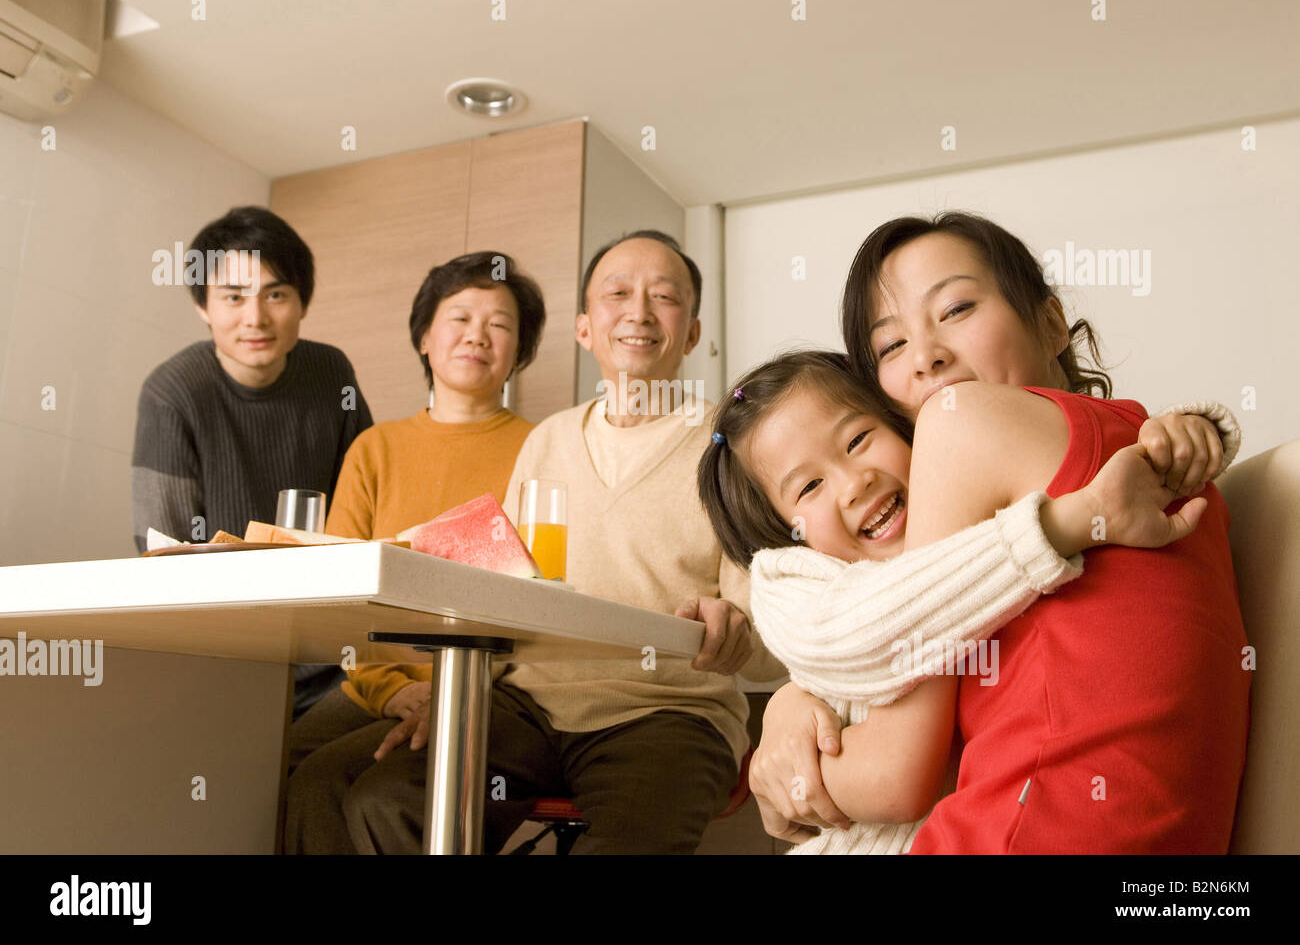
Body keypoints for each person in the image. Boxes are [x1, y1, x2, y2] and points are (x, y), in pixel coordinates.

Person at [748, 211, 1250, 853]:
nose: (926, 355)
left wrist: (779, 779)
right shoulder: (1147, 446)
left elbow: (894, 777)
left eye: (955, 308)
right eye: (891, 347)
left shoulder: (960, 419)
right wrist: (796, 699)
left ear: (1050, 322)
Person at [340, 230, 786, 854]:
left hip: (667, 714)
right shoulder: (546, 441)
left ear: (691, 334)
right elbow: (507, 597)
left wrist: (739, 631)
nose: (638, 311)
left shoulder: (733, 446)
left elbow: (770, 645)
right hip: (527, 706)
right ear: (584, 327)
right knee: (385, 801)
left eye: (664, 297)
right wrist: (450, 698)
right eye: (618, 293)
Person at [284, 250, 546, 854]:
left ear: (518, 353)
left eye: (500, 324)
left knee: (332, 787)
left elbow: (541, 599)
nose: (477, 335)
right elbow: (339, 586)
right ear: (425, 336)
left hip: (487, 687)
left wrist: (456, 692)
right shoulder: (375, 448)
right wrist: (389, 688)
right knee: (251, 769)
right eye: (459, 318)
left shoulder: (541, 449)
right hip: (372, 681)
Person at [130, 205, 372, 716]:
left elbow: (368, 507)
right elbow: (162, 550)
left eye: (275, 294)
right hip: (225, 650)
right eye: (233, 297)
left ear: (302, 302)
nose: (255, 318)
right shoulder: (173, 392)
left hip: (336, 652)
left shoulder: (331, 372)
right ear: (203, 306)